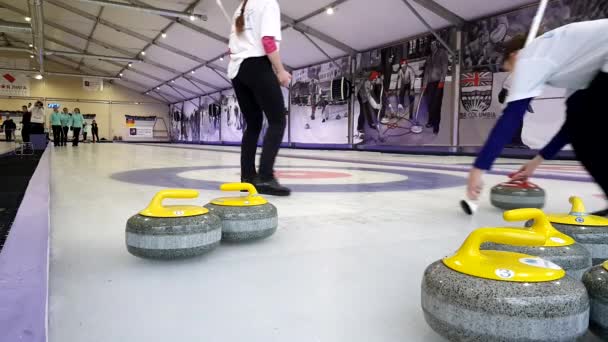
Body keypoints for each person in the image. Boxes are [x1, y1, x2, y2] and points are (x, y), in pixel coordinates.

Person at [466, 20, 608, 214]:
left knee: (591, 133)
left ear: (514, 55)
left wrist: (478, 169)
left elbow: (512, 116)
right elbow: (572, 127)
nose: (512, 75)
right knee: (583, 126)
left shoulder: (529, 57)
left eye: (508, 68)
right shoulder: (575, 68)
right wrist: (536, 162)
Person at [228, 0, 291, 196]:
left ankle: (247, 177)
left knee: (253, 123)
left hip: (237, 70)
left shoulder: (241, 7)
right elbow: (268, 41)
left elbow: (231, 46)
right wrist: (280, 71)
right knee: (278, 120)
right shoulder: (268, 3)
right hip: (257, 64)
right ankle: (265, 177)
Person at [422, 41, 449, 134]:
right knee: (429, 103)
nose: (431, 46)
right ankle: (431, 121)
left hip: (438, 82)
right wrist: (424, 84)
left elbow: (445, 66)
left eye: (433, 44)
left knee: (436, 104)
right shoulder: (429, 57)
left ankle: (436, 125)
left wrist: (442, 81)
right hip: (430, 83)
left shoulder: (442, 53)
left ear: (437, 44)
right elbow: (426, 72)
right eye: (430, 44)